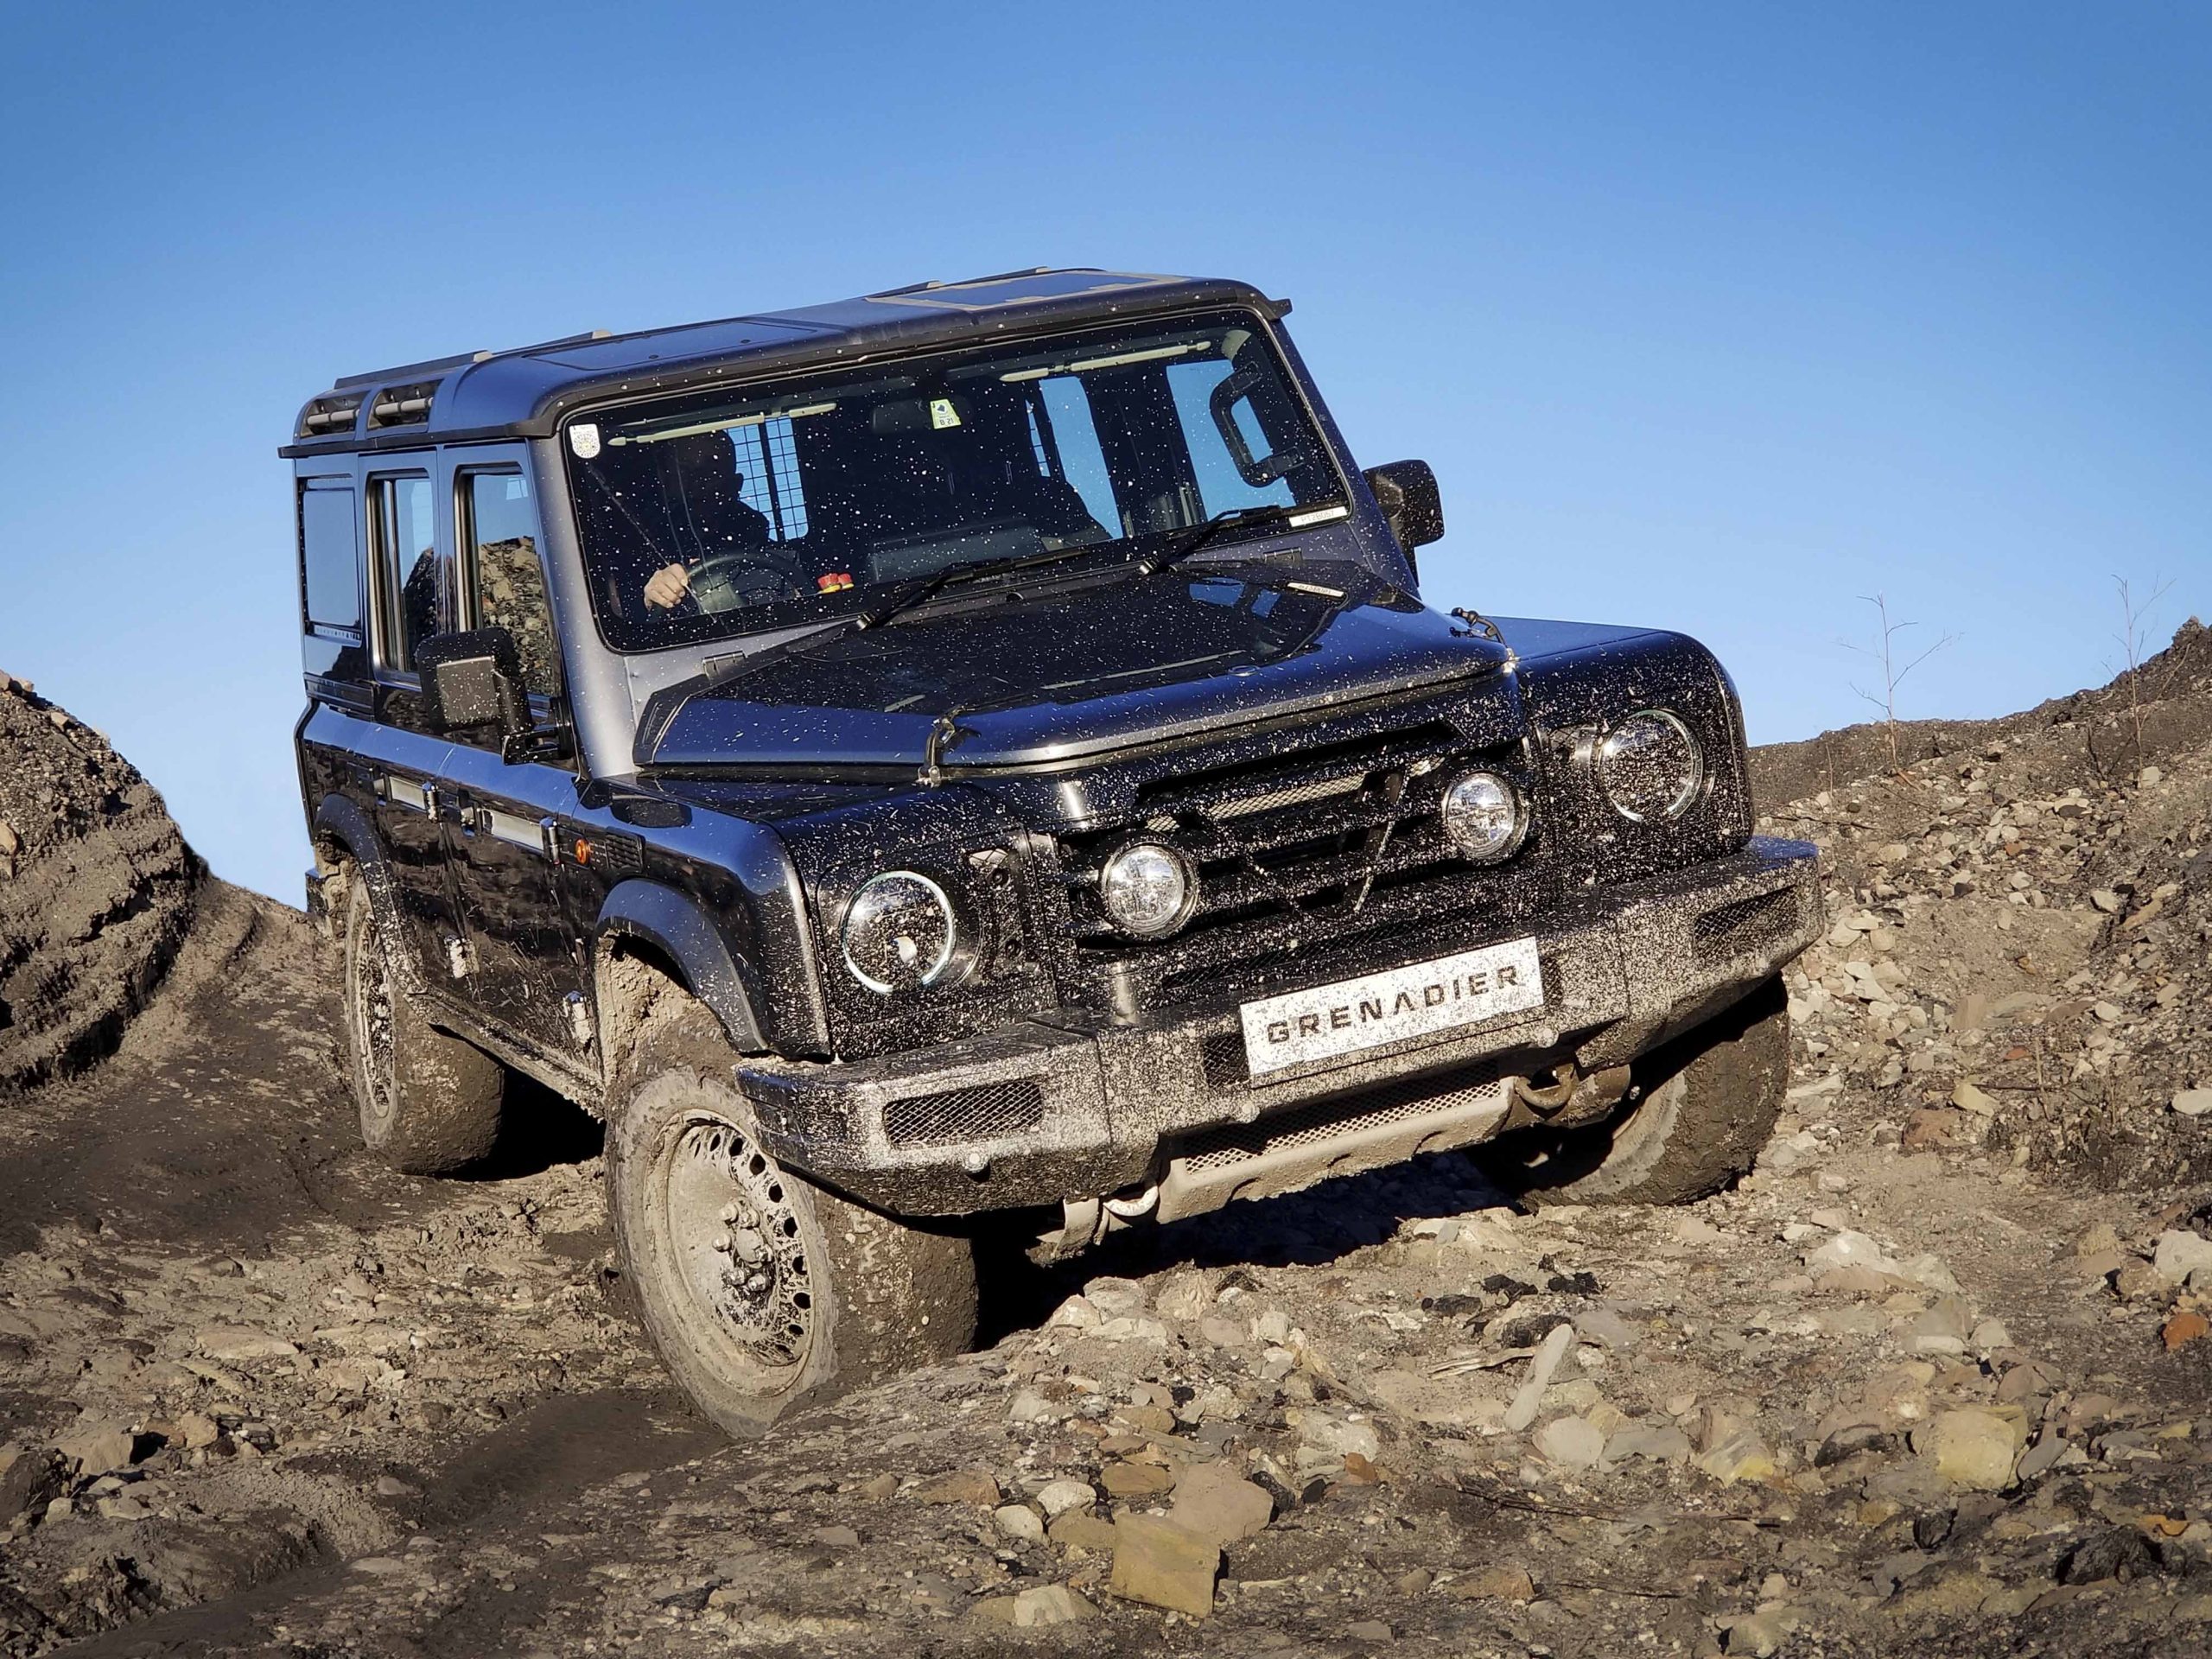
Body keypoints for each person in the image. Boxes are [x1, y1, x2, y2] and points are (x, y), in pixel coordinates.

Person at [638, 429, 775, 609]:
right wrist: (652, 597)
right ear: (665, 481)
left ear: (734, 485)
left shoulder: (775, 560)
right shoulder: (640, 547)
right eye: (684, 471)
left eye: (711, 471)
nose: (697, 482)